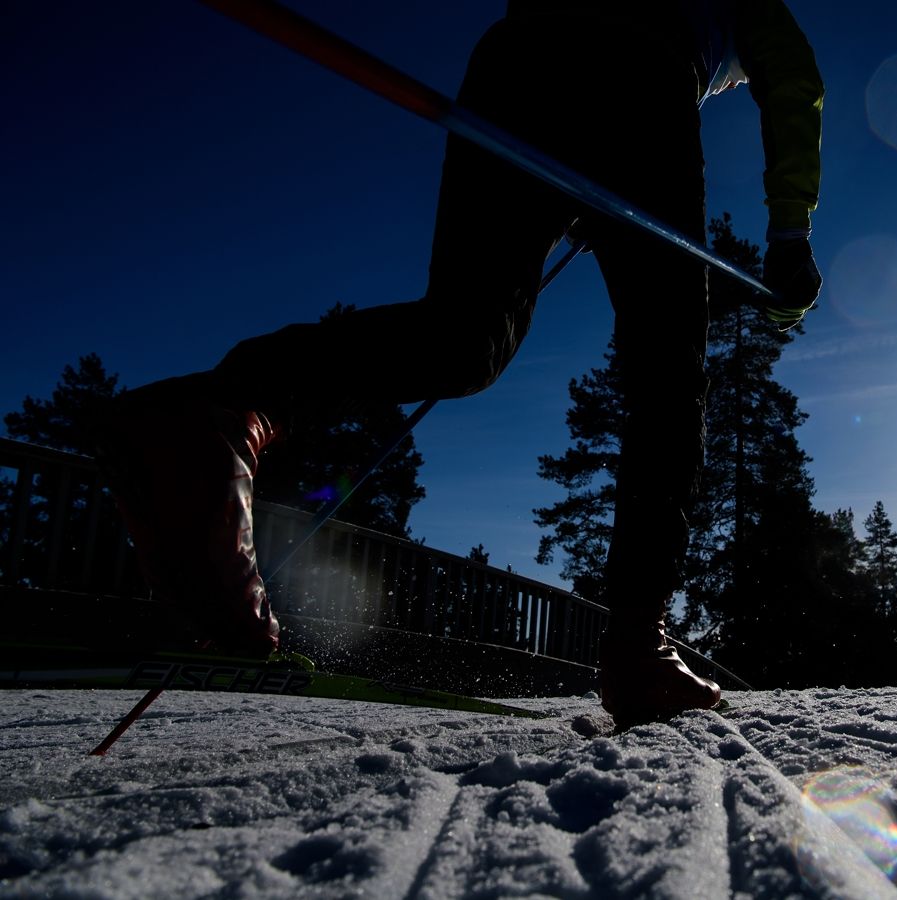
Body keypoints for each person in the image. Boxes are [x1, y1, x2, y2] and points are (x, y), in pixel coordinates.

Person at [98, 0, 823, 727]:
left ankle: (224, 410)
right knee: (668, 372)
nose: (729, 86)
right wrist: (790, 235)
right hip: (641, 68)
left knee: (464, 340)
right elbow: (792, 82)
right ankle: (637, 646)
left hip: (518, 61)